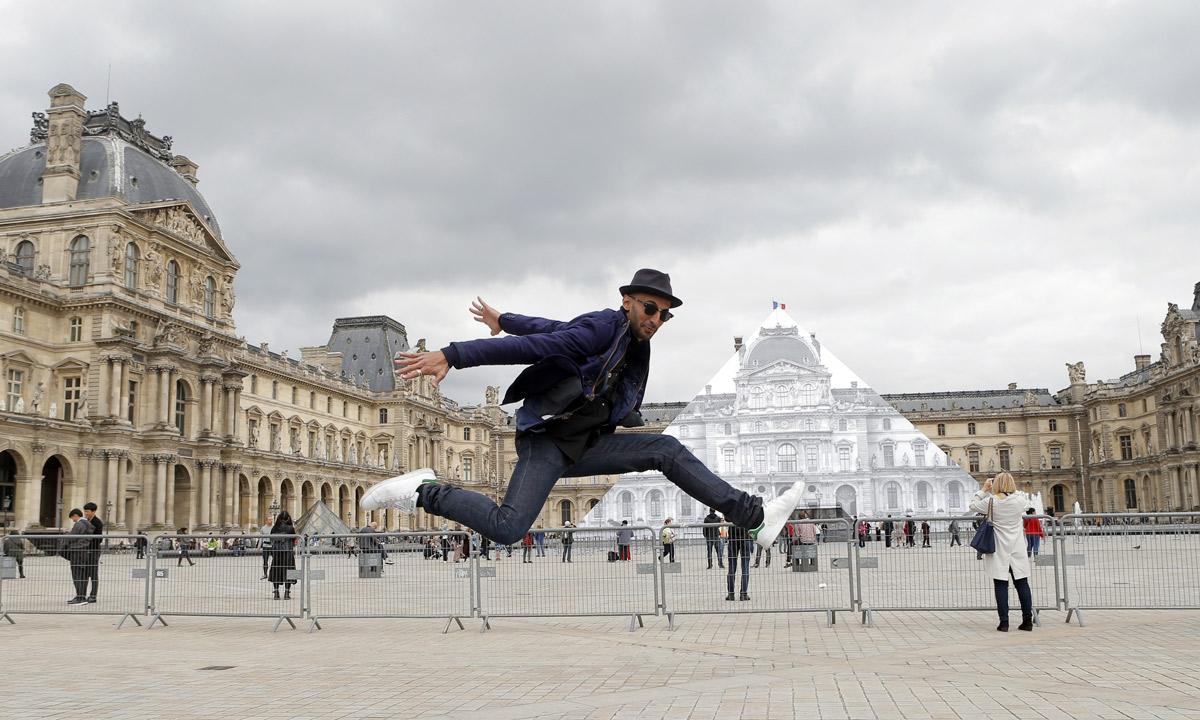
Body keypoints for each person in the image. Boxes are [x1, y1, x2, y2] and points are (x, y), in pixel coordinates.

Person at [362, 270, 804, 554]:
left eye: (664, 316)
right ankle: (425, 489)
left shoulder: (630, 340)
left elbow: (552, 327)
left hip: (584, 442)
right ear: (628, 301)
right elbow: (537, 347)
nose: (655, 320)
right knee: (508, 527)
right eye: (650, 308)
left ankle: (753, 516)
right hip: (548, 442)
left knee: (666, 449)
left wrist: (507, 318)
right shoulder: (603, 328)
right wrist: (453, 354)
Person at [970, 472, 1034, 632]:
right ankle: (1027, 620)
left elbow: (973, 505)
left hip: (999, 547)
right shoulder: (1019, 501)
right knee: (1022, 583)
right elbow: (1027, 504)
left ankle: (1004, 622)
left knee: (1000, 584)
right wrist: (1012, 489)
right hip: (1017, 546)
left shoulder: (991, 501)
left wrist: (984, 489)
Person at [64, 509, 94, 605]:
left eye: (72, 518)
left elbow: (73, 538)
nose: (73, 520)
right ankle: (81, 595)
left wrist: (67, 534)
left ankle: (80, 597)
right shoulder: (88, 524)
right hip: (84, 551)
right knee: (83, 575)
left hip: (77, 550)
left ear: (76, 515)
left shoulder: (79, 524)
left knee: (77, 574)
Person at [268, 510, 297, 600]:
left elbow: (271, 540)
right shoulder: (290, 529)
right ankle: (287, 593)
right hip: (287, 553)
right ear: (288, 518)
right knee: (289, 572)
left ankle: (276, 592)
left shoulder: (274, 528)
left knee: (276, 571)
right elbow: (294, 539)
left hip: (277, 553)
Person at [726, 523, 752, 602]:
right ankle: (743, 594)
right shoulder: (747, 510)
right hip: (745, 538)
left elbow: (727, 518)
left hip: (733, 539)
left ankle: (731, 594)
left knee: (731, 568)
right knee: (745, 568)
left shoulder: (731, 510)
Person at [82, 501, 103, 603]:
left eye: (88, 512)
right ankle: (82, 594)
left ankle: (93, 595)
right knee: (84, 573)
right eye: (85, 511)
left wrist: (90, 549)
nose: (86, 513)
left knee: (93, 573)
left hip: (93, 550)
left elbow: (98, 539)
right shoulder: (84, 521)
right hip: (84, 550)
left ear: (94, 511)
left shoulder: (97, 523)